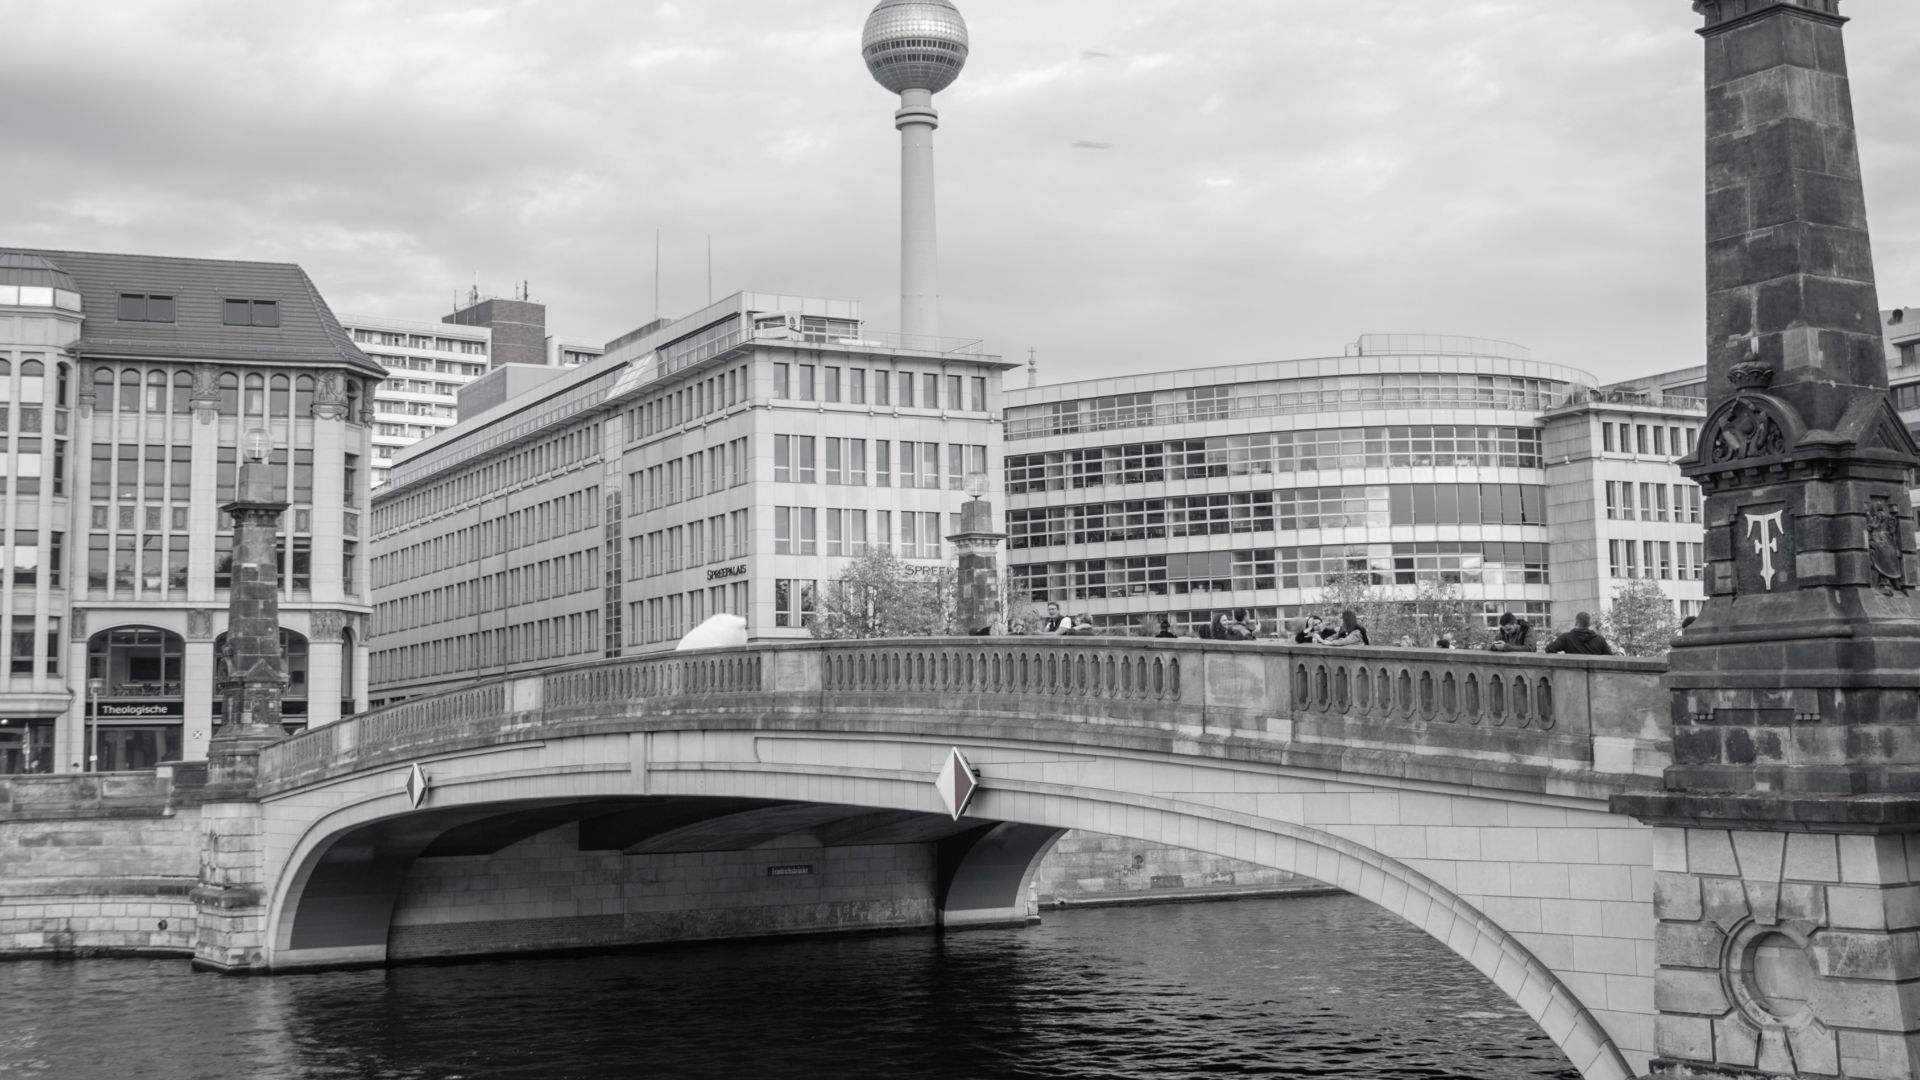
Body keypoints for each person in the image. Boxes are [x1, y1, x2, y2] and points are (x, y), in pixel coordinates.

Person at [1544, 611, 1614, 655]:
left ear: (1576, 622)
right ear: (1589, 624)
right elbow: (1610, 657)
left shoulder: (1566, 638)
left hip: (1572, 675)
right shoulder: (1600, 639)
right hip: (1596, 677)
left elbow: (1549, 649)